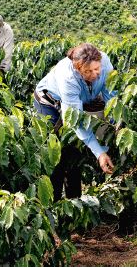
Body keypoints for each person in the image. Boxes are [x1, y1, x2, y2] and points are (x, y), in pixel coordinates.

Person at [34, 43, 116, 201]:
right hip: (49, 103)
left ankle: (74, 201)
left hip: (77, 102)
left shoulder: (105, 63)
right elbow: (76, 120)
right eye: (88, 71)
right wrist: (99, 153)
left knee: (73, 154)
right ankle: (53, 202)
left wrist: (116, 124)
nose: (95, 74)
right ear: (78, 69)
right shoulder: (68, 77)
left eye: (96, 69)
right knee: (56, 154)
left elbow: (111, 96)